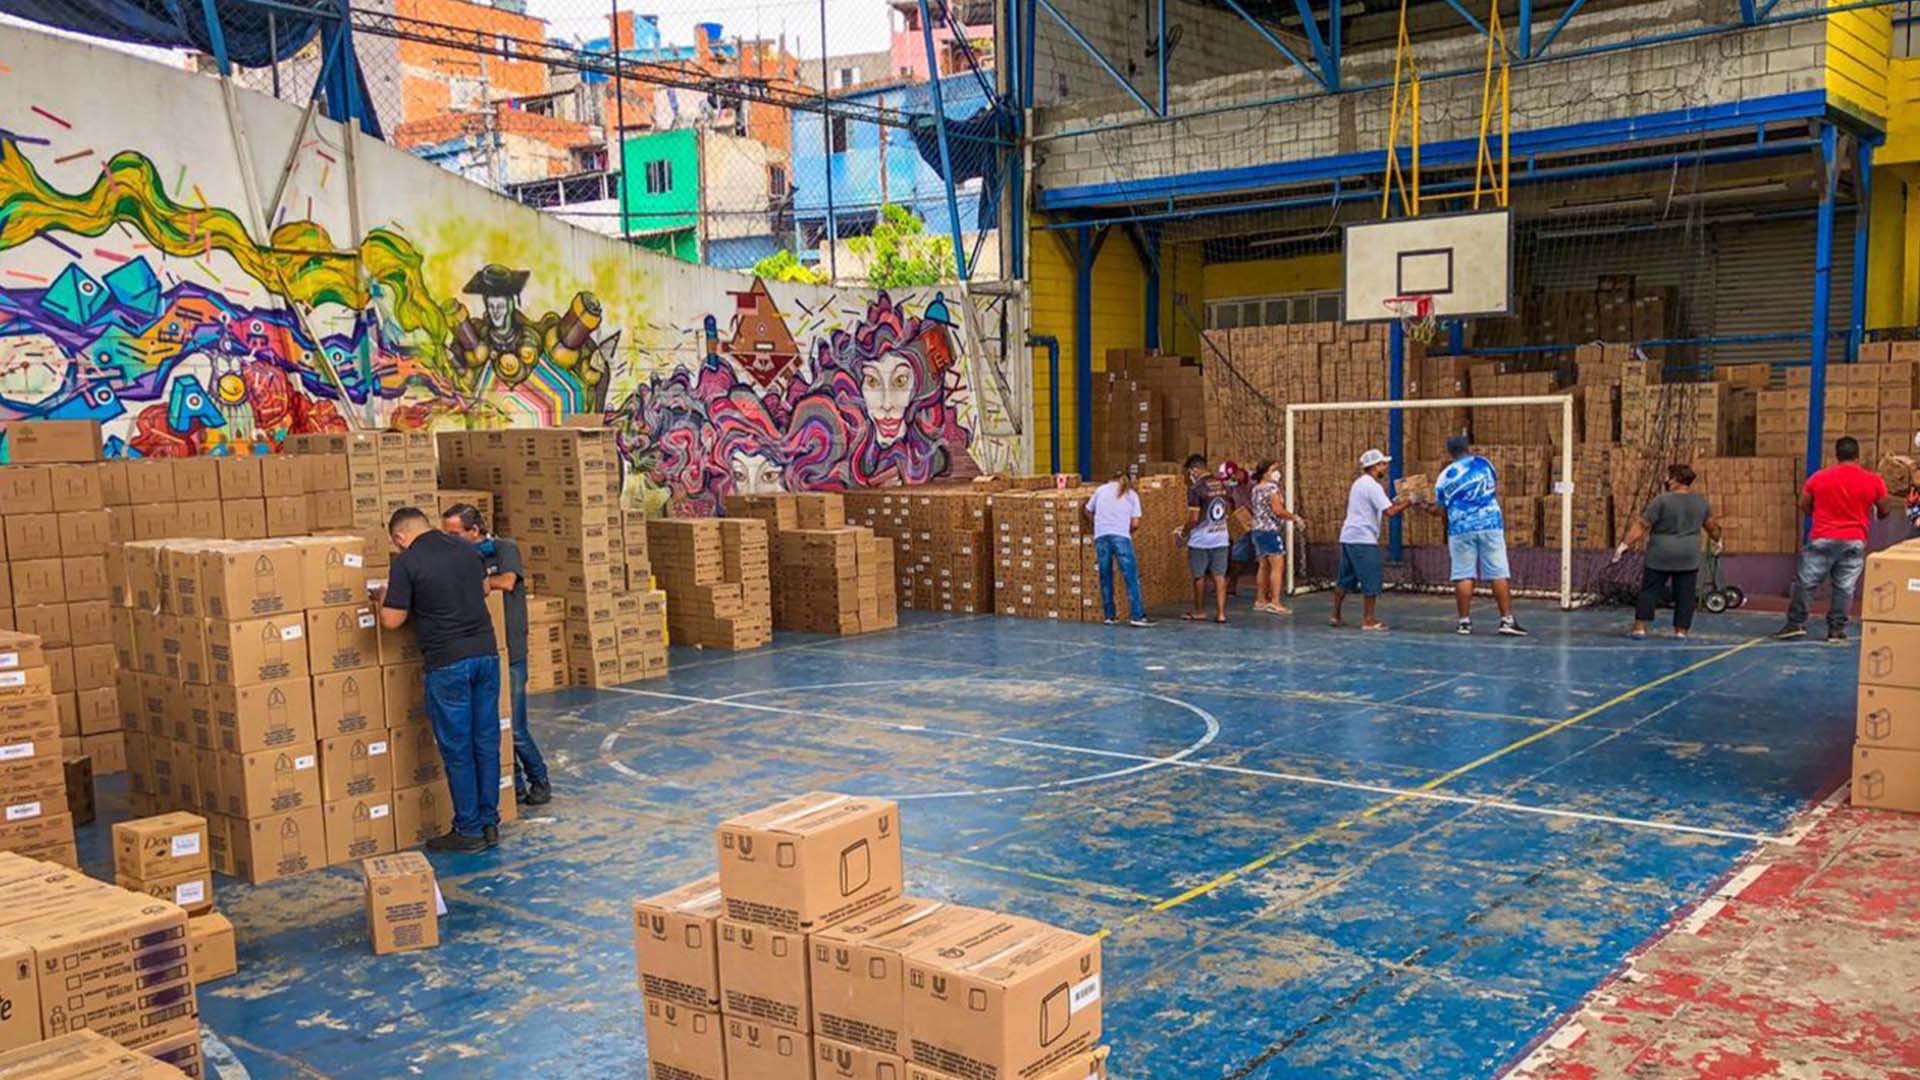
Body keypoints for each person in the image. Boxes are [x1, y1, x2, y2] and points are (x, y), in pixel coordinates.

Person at [379, 506, 502, 852]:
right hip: (486, 654)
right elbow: (484, 591)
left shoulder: (406, 563)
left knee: (458, 748)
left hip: (448, 662)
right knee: (486, 741)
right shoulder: (466, 547)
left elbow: (391, 620)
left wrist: (382, 599)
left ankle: (468, 829)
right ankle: (490, 822)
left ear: (400, 537)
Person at [442, 504, 552, 807]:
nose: (449, 540)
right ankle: (513, 786)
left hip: (512, 650)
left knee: (515, 726)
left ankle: (539, 778)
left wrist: (477, 582)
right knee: (494, 726)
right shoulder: (458, 558)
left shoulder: (504, 548)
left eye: (454, 534)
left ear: (473, 531)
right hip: (484, 650)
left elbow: (506, 582)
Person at [1773, 436, 1892, 642]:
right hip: (1854, 540)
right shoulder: (1873, 480)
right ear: (1858, 455)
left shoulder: (1819, 478)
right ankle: (1836, 630)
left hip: (1823, 537)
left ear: (1836, 455)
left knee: (1807, 583)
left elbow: (1804, 504)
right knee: (1844, 587)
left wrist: (1819, 515)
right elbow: (1884, 510)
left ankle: (1795, 624)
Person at [1431, 435, 1528, 636]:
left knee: (1463, 574)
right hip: (1490, 524)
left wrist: (1424, 507)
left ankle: (1464, 622)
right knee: (1497, 572)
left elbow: (1440, 510)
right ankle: (1507, 620)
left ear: (1449, 452)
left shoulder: (1443, 477)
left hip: (1460, 528)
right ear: (1468, 448)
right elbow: (1493, 486)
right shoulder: (1484, 463)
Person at [1614, 464, 1722, 639]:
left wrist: (1624, 545)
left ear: (1676, 480)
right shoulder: (1701, 502)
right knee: (1685, 595)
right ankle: (1681, 631)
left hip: (1660, 554)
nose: (1666, 480)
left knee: (1649, 591)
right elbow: (1712, 526)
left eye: (1669, 476)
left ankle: (1640, 628)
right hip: (1688, 556)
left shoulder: (1661, 501)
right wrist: (1718, 541)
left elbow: (1642, 525)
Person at [1332, 449, 1411, 631]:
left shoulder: (1359, 484)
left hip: (1348, 537)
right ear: (1375, 466)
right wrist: (1409, 502)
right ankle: (1368, 620)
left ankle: (1335, 615)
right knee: (1371, 579)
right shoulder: (1373, 486)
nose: (1386, 467)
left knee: (1344, 578)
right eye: (1383, 464)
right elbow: (1390, 512)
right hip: (1363, 539)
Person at [1084, 466, 1152, 627]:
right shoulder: (1132, 495)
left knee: (1105, 577)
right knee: (1131, 577)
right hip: (1121, 537)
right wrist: (1123, 529)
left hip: (1101, 536)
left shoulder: (1100, 490)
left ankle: (1110, 616)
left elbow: (1087, 510)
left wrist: (1096, 522)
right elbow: (1135, 524)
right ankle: (1136, 615)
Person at [1181, 453, 1232, 623]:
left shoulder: (1196, 489)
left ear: (1194, 470)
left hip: (1200, 540)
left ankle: (1200, 611)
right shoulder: (1222, 485)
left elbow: (1193, 519)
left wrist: (1183, 532)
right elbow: (1229, 509)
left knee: (1199, 576)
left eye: (1189, 472)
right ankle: (1221, 613)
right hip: (1221, 536)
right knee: (1219, 576)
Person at [1249, 459, 1303, 615]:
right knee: (1277, 567)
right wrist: (1294, 517)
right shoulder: (1272, 488)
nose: (1277, 473)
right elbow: (1278, 510)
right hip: (1270, 531)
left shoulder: (1256, 489)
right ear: (1266, 472)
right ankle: (1275, 601)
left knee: (1263, 566)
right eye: (1274, 469)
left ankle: (1260, 600)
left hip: (1257, 530)